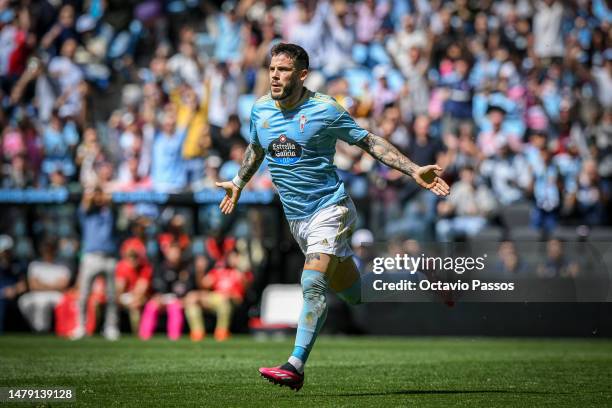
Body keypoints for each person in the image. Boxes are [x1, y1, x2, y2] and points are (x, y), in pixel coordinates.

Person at [215, 43, 449, 391]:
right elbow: (256, 148)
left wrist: (413, 169)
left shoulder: (325, 109)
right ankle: (420, 275)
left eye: (283, 70)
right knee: (357, 293)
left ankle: (295, 365)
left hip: (330, 209)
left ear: (302, 75)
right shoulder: (260, 109)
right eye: (272, 69)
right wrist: (237, 182)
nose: (275, 76)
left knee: (312, 283)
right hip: (297, 220)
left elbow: (369, 142)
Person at [72, 186, 119, 340]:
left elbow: (112, 202)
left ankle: (111, 327)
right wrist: (92, 193)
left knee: (112, 296)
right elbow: (85, 203)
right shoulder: (87, 213)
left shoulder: (110, 212)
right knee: (84, 295)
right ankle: (81, 326)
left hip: (110, 256)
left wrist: (103, 194)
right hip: (90, 256)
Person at [18, 238, 71, 333]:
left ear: (54, 250)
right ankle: (34, 327)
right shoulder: (35, 265)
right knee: (23, 301)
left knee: (42, 303)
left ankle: (42, 330)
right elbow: (33, 286)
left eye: (50, 249)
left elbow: (63, 286)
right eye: (46, 250)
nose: (48, 252)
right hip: (38, 294)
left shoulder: (63, 266)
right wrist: (53, 285)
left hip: (56, 295)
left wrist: (42, 285)